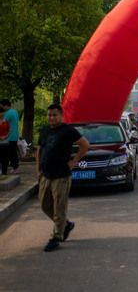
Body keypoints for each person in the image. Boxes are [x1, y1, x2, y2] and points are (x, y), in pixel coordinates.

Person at [36, 104, 90, 252]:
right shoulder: (45, 130)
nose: (51, 118)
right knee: (45, 205)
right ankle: (66, 224)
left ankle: (56, 237)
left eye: (54, 115)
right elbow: (40, 149)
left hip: (61, 175)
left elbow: (85, 144)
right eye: (49, 115)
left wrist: (74, 161)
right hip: (46, 175)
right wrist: (38, 168)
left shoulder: (68, 130)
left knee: (59, 207)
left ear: (61, 116)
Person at [1, 99, 20, 173]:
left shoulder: (8, 113)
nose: (2, 108)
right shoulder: (15, 112)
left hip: (9, 136)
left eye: (2, 107)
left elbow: (3, 122)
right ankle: (15, 167)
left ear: (6, 106)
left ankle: (13, 167)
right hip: (15, 134)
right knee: (13, 151)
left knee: (8, 153)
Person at [0, 106, 11, 175]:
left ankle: (4, 172)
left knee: (5, 158)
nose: (3, 114)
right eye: (2, 112)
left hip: (5, 142)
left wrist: (5, 136)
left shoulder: (5, 121)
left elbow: (9, 131)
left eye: (3, 113)